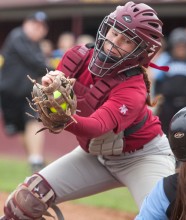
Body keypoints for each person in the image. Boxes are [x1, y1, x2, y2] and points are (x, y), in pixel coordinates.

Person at [0, 2, 175, 219]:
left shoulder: (134, 87)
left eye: (127, 40)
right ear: (106, 27)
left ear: (140, 51)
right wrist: (50, 89)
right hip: (95, 154)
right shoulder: (76, 57)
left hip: (142, 156)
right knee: (25, 200)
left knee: (160, 215)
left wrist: (63, 118)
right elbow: (59, 97)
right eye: (114, 32)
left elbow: (97, 127)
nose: (113, 42)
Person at [0, 11, 50, 173]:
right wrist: (61, 70)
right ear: (25, 24)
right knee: (20, 128)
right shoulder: (18, 36)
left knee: (33, 120)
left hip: (28, 92)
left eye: (42, 26)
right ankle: (34, 160)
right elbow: (35, 63)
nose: (38, 29)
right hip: (10, 92)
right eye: (35, 24)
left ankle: (36, 160)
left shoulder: (35, 44)